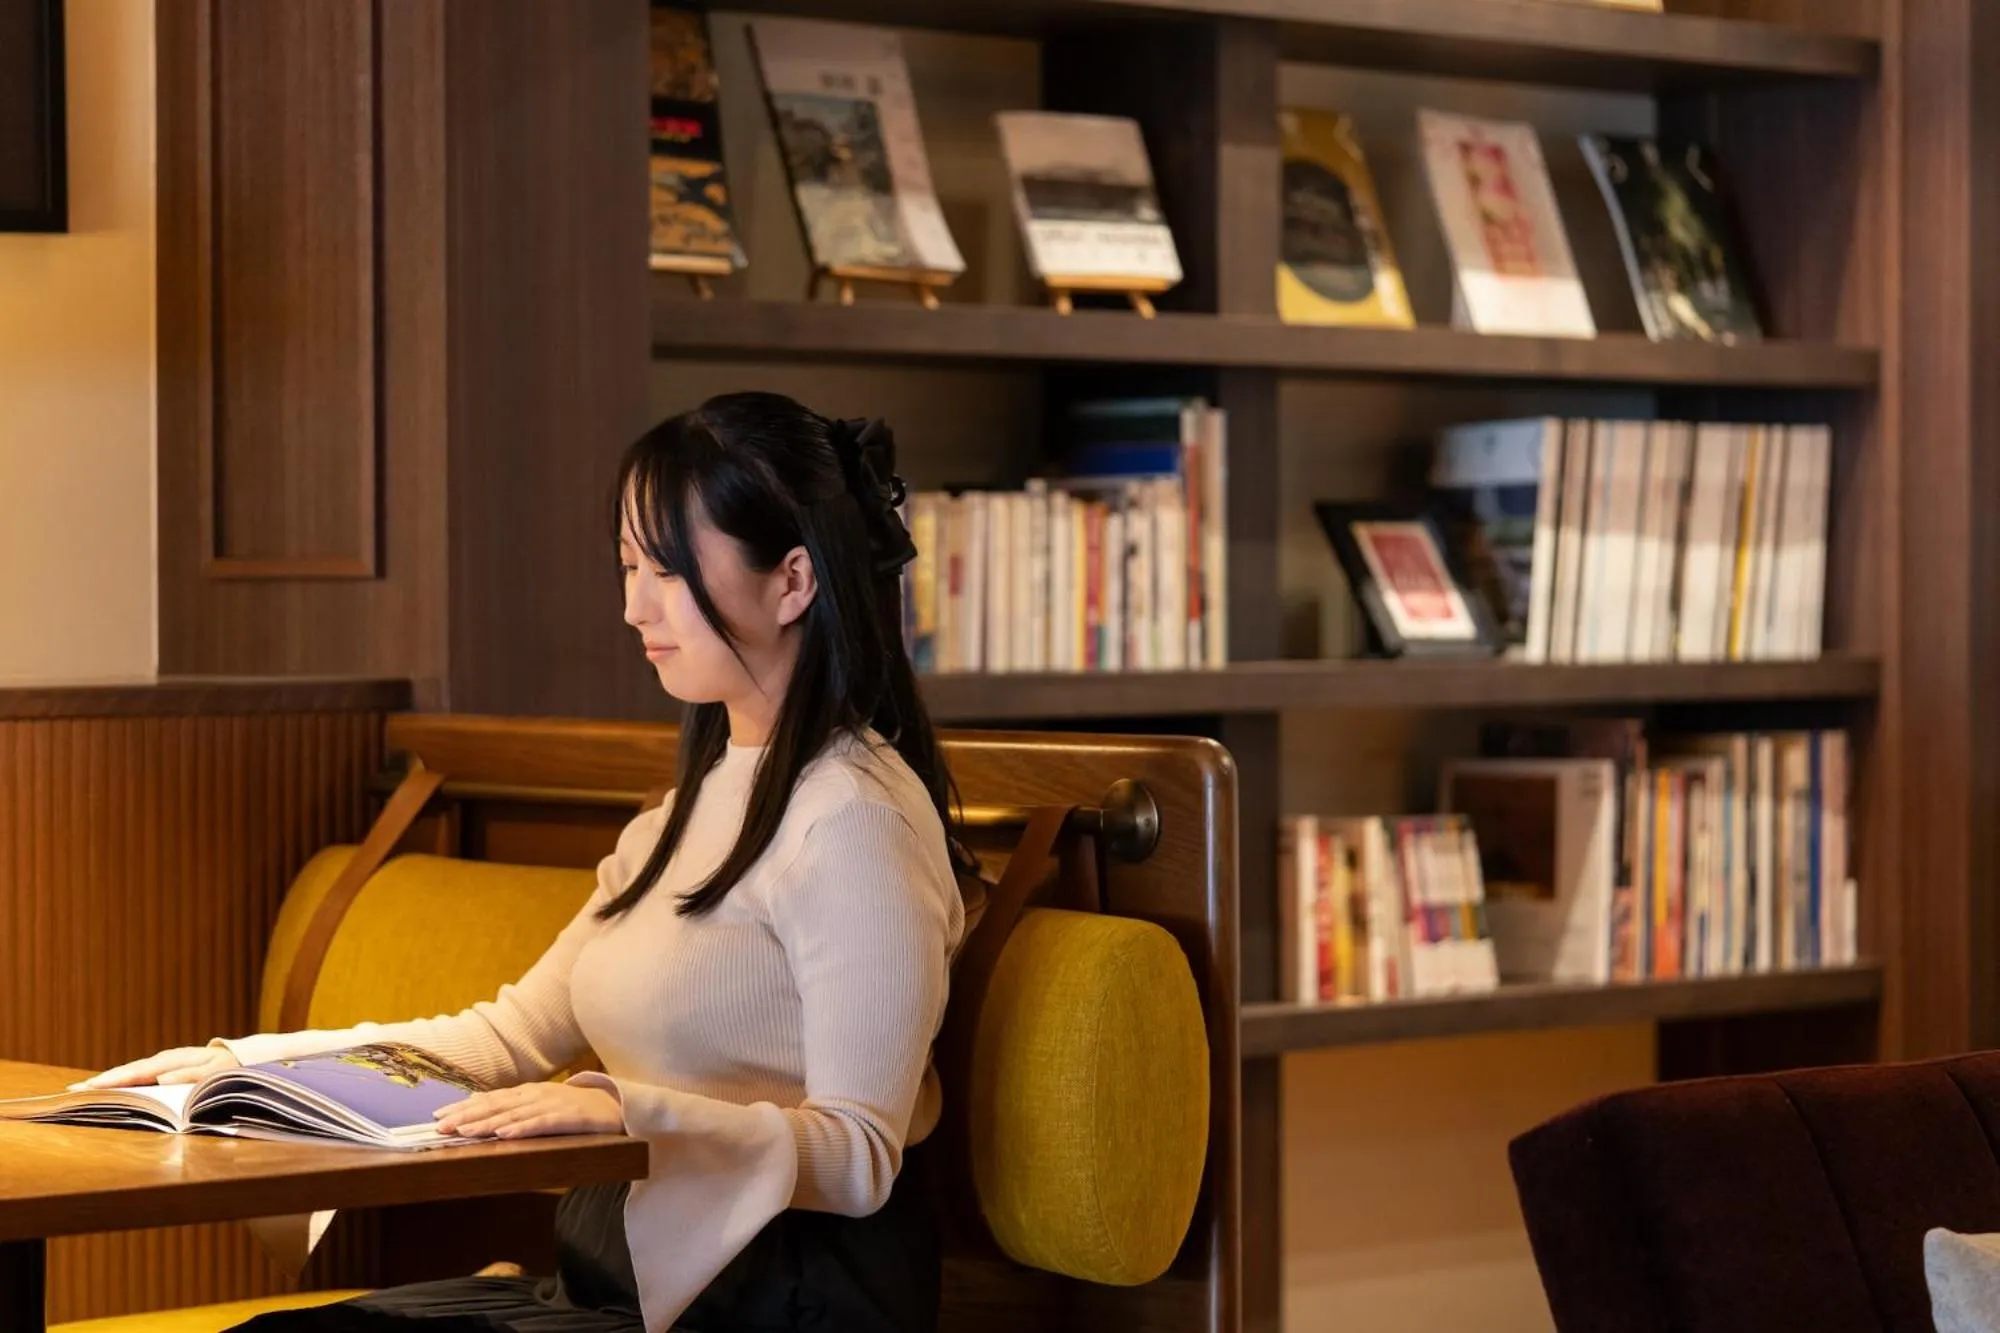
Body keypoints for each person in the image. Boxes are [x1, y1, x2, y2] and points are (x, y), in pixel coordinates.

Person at [76, 392, 971, 1333]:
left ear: (792, 581)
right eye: (628, 565)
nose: (633, 607)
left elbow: (862, 1154)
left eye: (666, 569)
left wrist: (627, 1113)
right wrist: (242, 1072)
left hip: (775, 1298)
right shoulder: (690, 807)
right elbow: (508, 1039)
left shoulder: (856, 817)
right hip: (619, 1274)